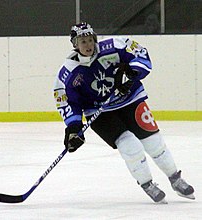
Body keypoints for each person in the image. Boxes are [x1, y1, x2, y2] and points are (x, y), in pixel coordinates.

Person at [53, 22, 195, 203]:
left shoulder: (114, 46)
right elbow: (67, 101)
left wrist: (131, 72)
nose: (88, 45)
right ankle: (147, 184)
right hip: (100, 112)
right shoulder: (67, 73)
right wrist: (73, 127)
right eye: (83, 42)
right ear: (75, 44)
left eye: (90, 40)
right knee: (130, 146)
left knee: (154, 142)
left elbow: (141, 54)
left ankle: (175, 178)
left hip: (131, 99)